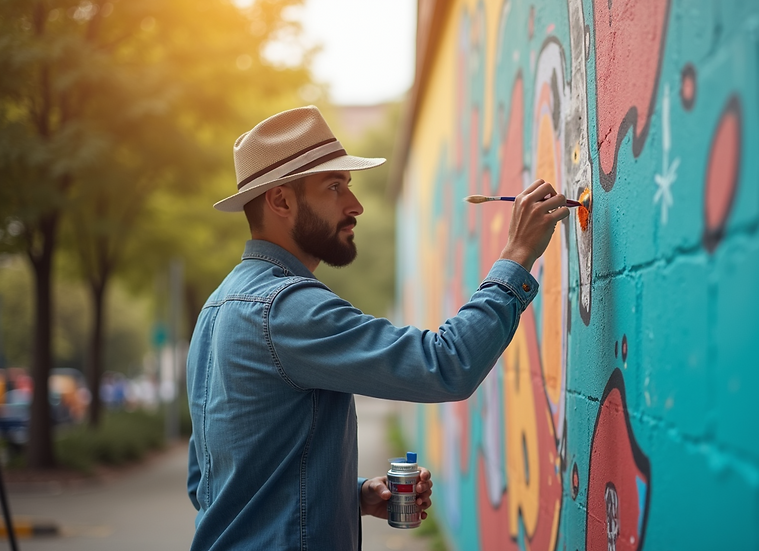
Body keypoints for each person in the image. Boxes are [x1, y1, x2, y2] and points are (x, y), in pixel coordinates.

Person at [186, 105, 570, 550]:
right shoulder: (286, 309)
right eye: (335, 187)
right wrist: (518, 253)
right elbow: (446, 365)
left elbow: (207, 483)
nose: (356, 206)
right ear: (281, 201)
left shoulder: (216, 309)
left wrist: (353, 495)